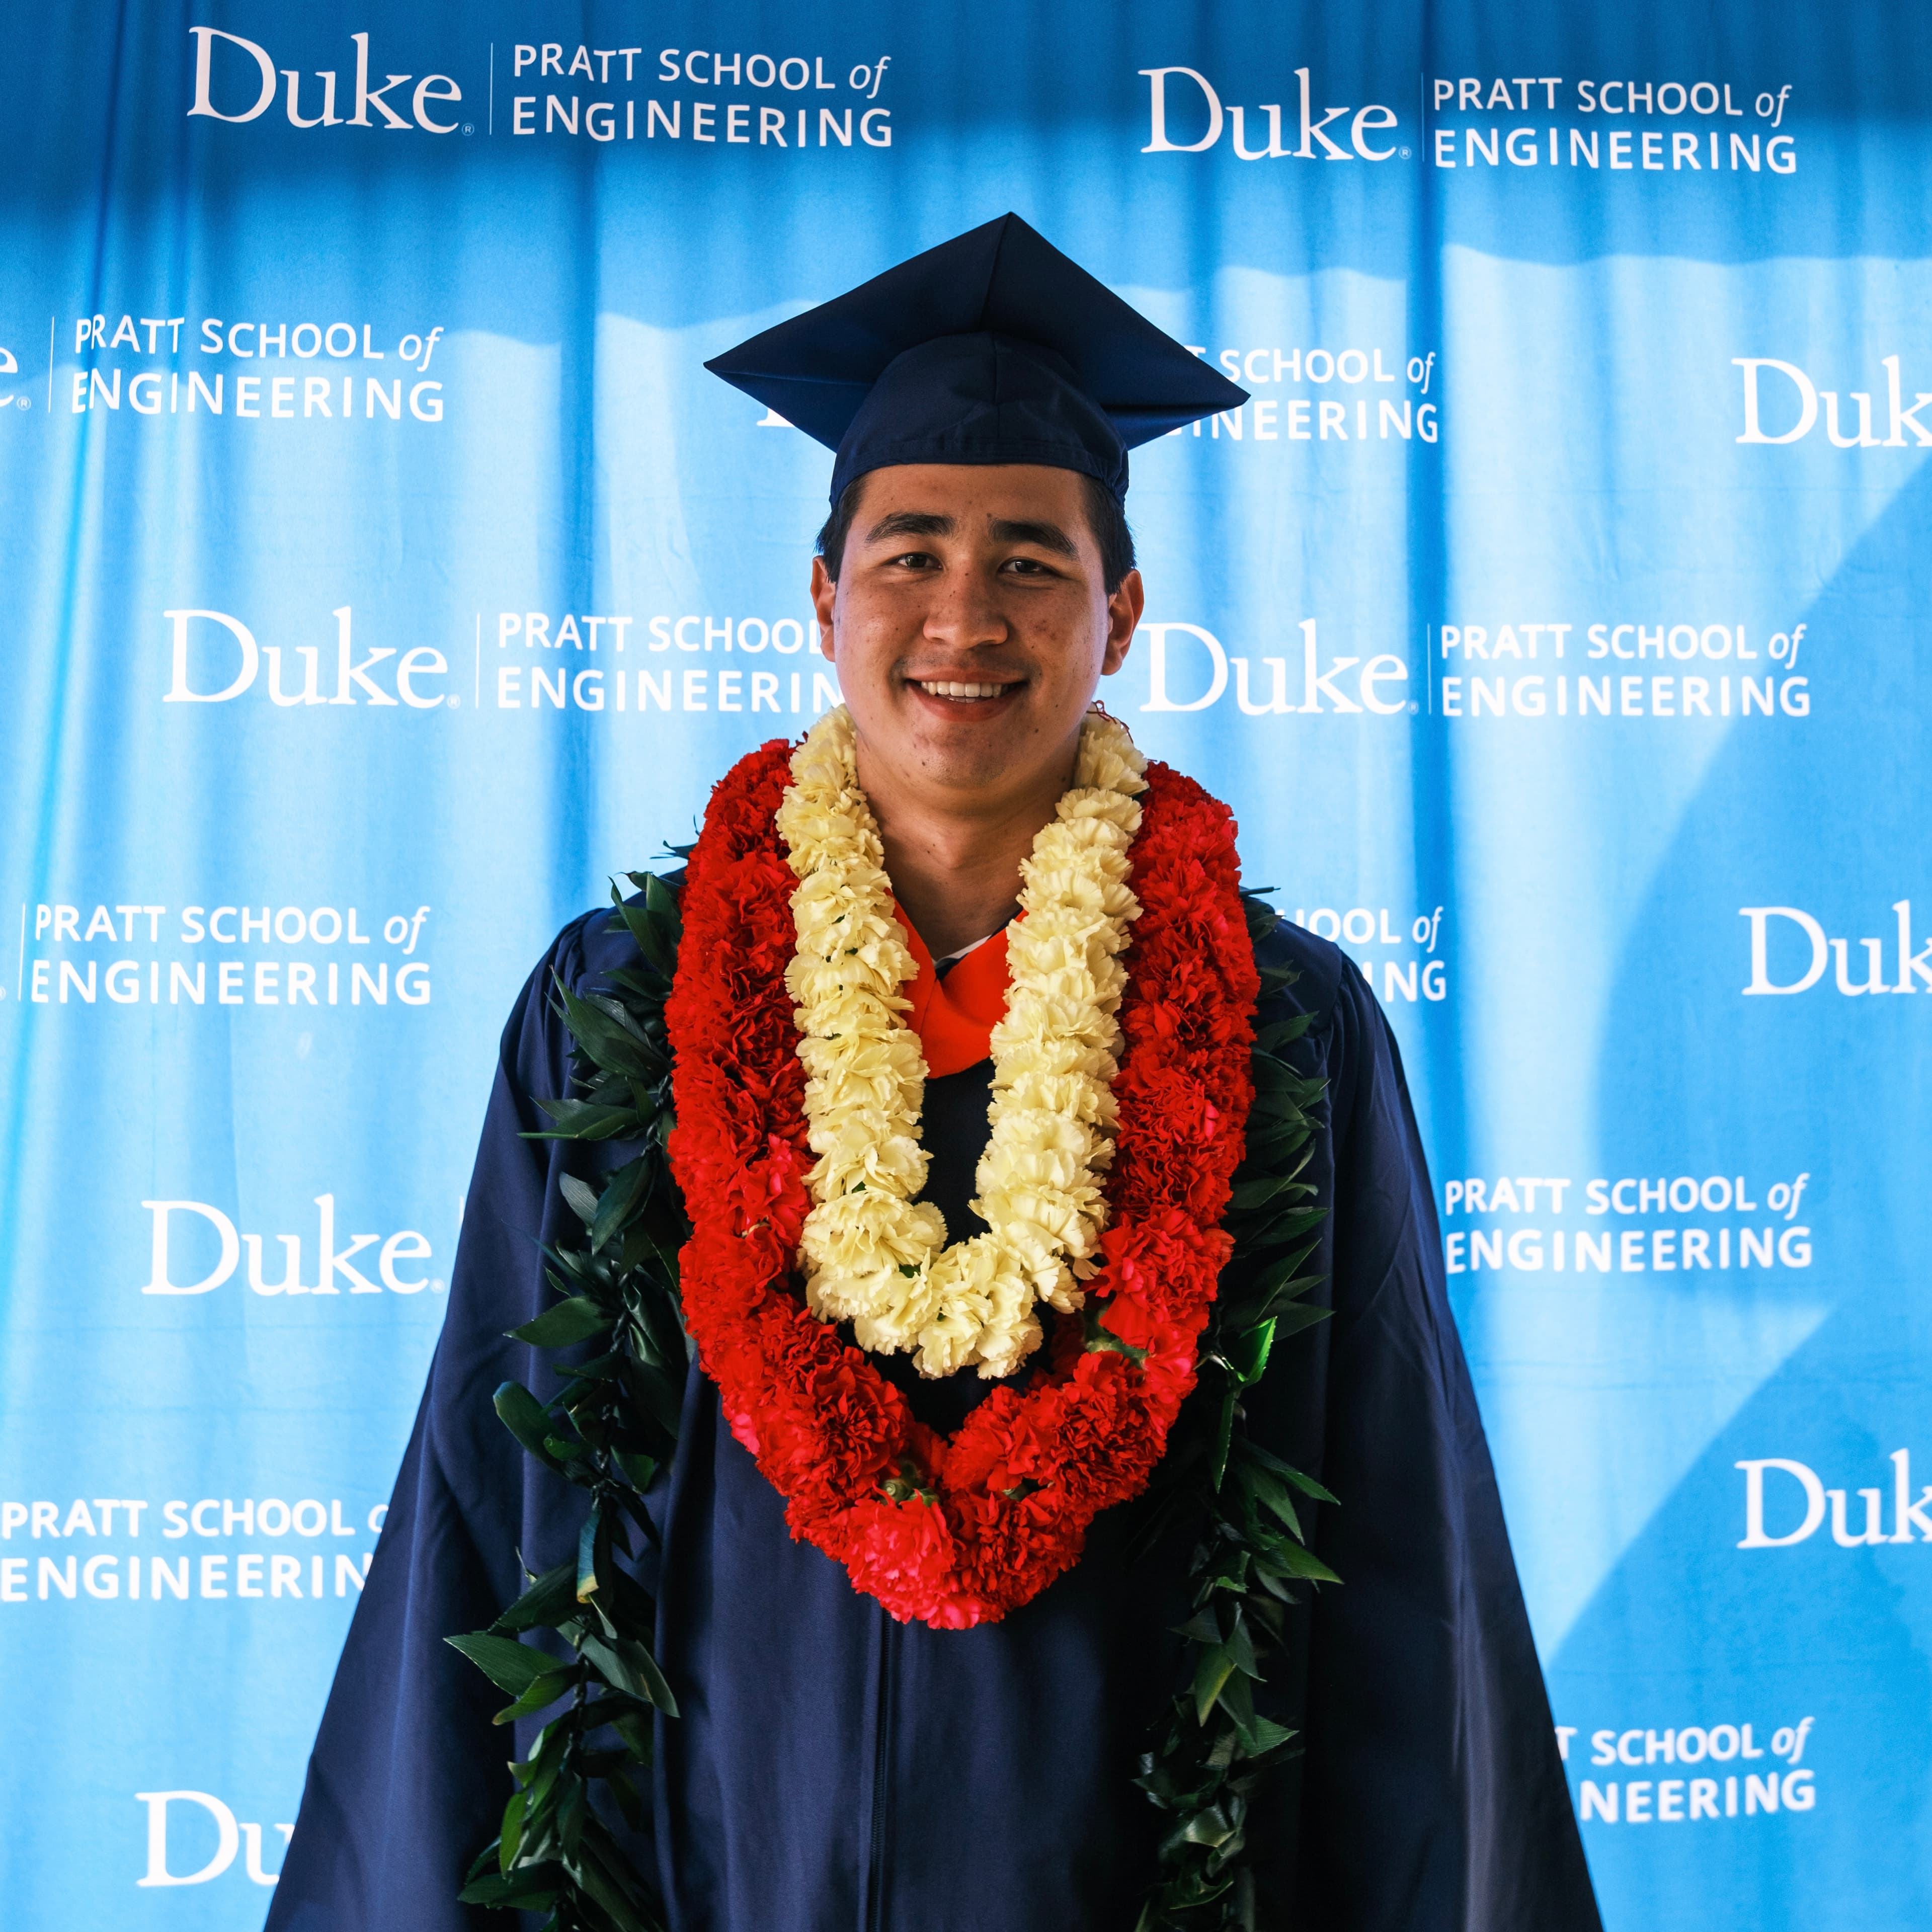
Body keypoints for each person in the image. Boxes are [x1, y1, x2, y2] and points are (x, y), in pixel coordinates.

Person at [268, 214, 1599, 1932]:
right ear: (828, 598)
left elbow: (1395, 1526)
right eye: (910, 551)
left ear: (1118, 615)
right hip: (718, 1860)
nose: (963, 613)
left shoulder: (1283, 1025)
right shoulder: (625, 1005)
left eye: (1033, 561)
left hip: (1135, 1873)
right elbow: (491, 1489)